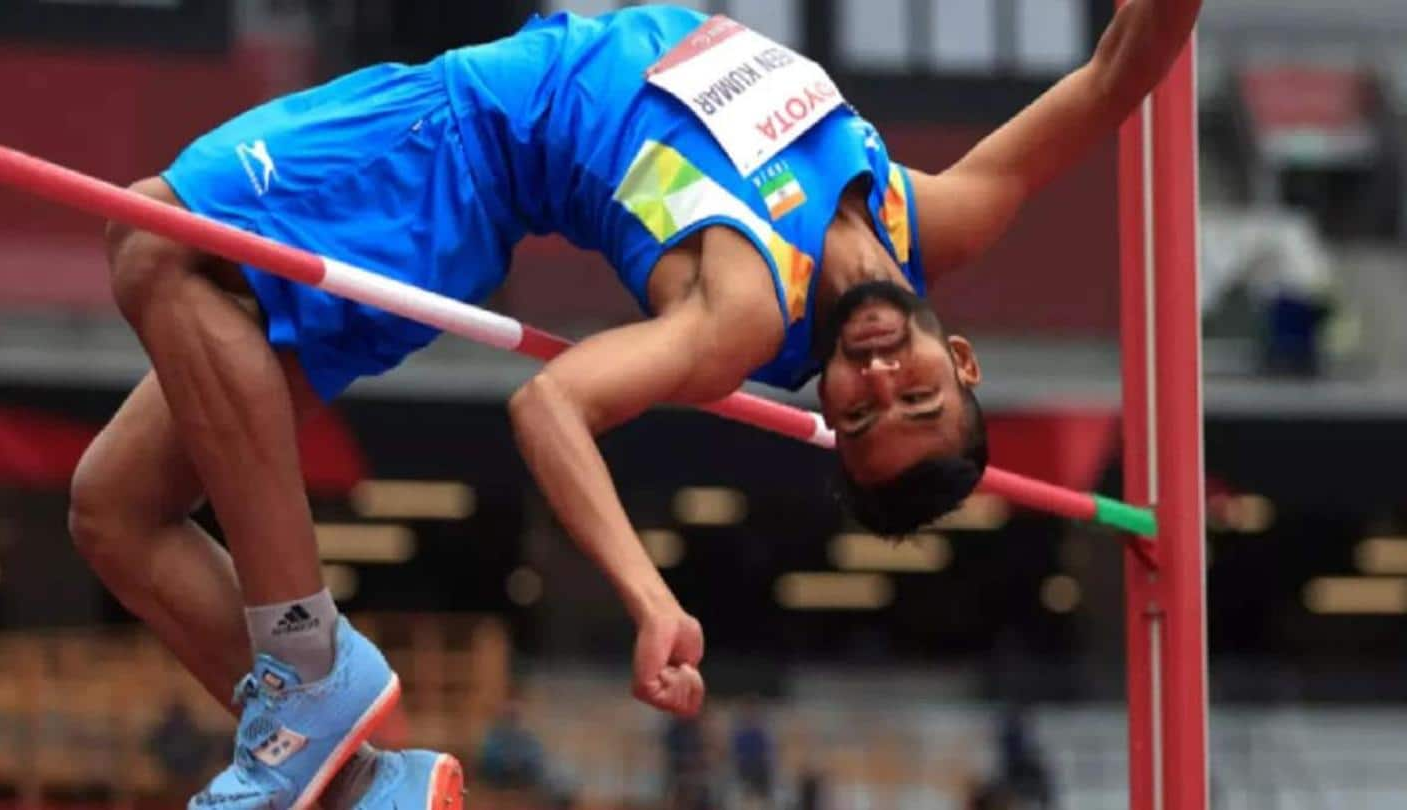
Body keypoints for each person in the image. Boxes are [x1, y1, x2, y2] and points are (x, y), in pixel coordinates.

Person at [66, 3, 1202, 808]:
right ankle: (374, 789)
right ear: (960, 357)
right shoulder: (928, 213)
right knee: (116, 507)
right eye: (914, 395)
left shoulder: (747, 315)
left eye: (857, 417)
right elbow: (1113, 75)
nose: (872, 385)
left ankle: (306, 669)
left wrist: (648, 599)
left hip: (460, 143)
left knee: (155, 242)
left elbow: (550, 408)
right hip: (460, 183)